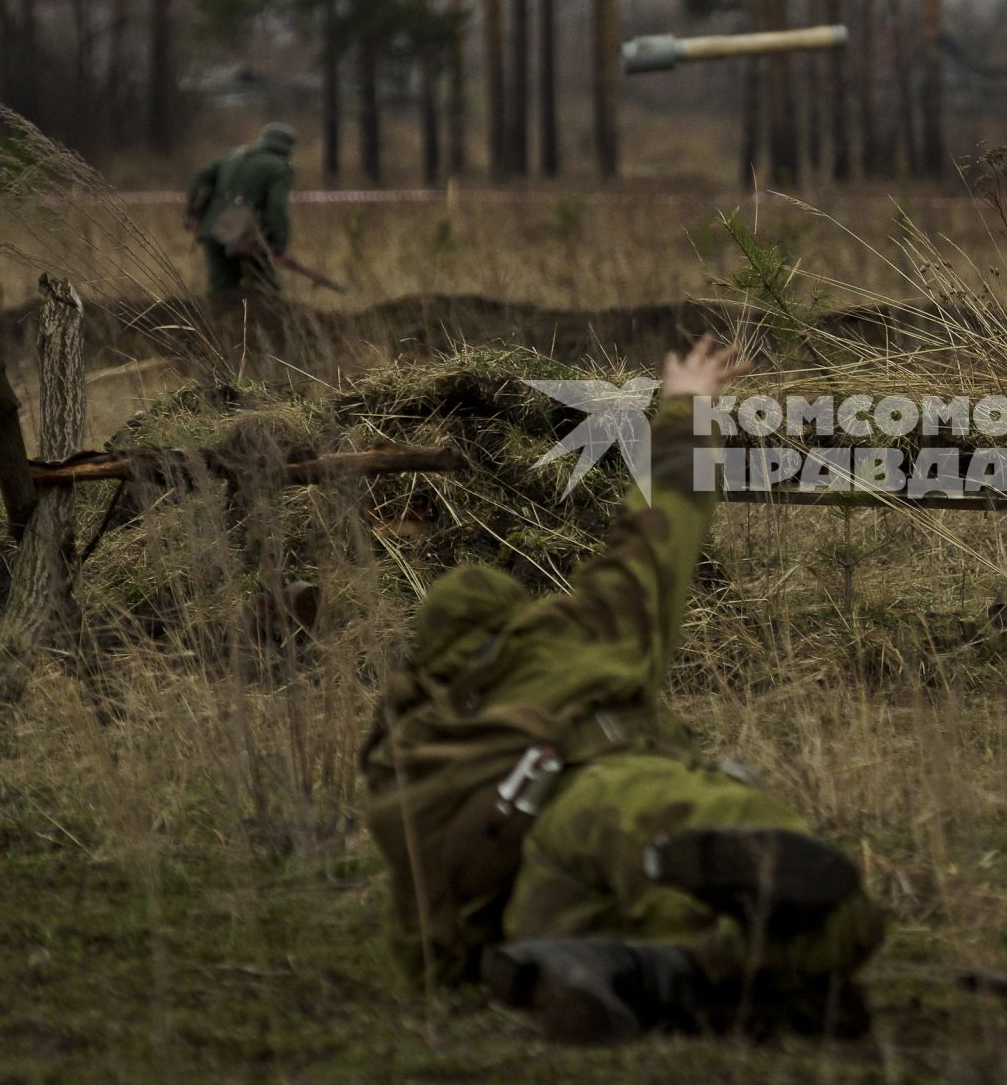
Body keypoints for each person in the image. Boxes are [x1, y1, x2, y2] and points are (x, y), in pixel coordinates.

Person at [360, 340, 885, 1045]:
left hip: (533, 909)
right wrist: (686, 406)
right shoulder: (578, 634)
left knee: (603, 923)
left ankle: (627, 971)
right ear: (515, 622)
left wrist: (447, 972)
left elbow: (422, 942)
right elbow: (661, 522)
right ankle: (734, 972)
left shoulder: (404, 749)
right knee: (842, 921)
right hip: (610, 798)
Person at [185, 123, 297, 296]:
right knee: (266, 292)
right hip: (248, 236)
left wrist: (193, 214)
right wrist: (278, 248)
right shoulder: (280, 168)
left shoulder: (233, 155)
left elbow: (200, 179)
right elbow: (277, 209)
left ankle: (220, 322)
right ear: (287, 148)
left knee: (220, 291)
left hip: (214, 229)